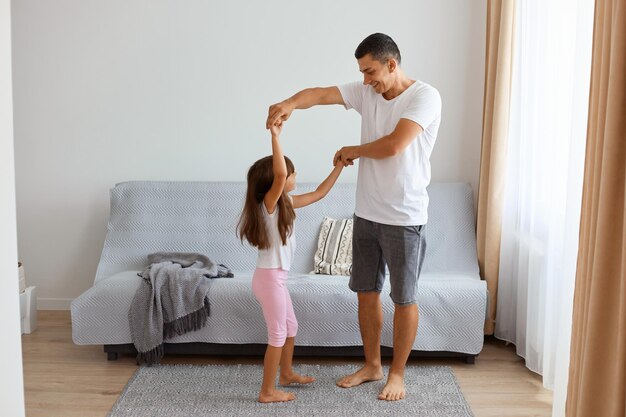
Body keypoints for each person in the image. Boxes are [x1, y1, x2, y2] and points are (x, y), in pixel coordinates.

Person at [265, 33, 442, 401]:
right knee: (366, 293)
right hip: (367, 213)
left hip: (405, 217)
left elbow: (395, 144)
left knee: (404, 297)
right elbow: (320, 93)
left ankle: (396, 374)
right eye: (362, 73)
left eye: (371, 71)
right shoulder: (368, 93)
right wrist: (289, 103)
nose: (366, 80)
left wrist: (353, 150)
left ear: (392, 64)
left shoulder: (425, 96)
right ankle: (373, 365)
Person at [238, 122, 344, 403]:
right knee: (277, 334)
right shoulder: (268, 205)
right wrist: (275, 136)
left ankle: (286, 374)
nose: (294, 175)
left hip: (277, 279)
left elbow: (320, 192)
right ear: (276, 180)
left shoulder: (285, 203)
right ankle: (267, 391)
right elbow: (281, 172)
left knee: (291, 327)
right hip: (269, 279)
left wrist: (340, 166)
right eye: (291, 172)